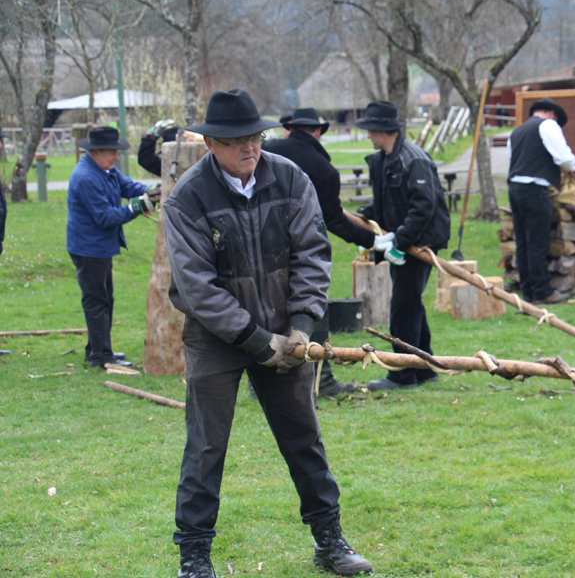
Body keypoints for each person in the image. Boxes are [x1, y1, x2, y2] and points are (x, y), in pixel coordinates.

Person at [163, 87, 372, 578]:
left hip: (285, 329)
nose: (249, 148)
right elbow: (197, 289)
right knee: (206, 447)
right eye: (236, 140)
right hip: (215, 339)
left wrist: (301, 326)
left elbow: (312, 256)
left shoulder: (291, 178)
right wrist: (257, 341)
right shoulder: (187, 198)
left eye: (255, 137)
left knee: (304, 438)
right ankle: (194, 558)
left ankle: (329, 541)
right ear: (211, 143)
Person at [263, 107, 377, 396]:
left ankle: (260, 381)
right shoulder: (324, 170)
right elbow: (333, 219)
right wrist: (371, 240)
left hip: (260, 249)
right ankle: (322, 381)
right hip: (301, 251)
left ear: (290, 128)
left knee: (266, 311)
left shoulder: (266, 150)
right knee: (312, 307)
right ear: (316, 131)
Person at [354, 100, 450, 391]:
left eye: (370, 130)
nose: (367, 135)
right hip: (403, 241)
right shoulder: (384, 160)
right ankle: (425, 368)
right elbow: (388, 202)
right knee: (410, 302)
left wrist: (401, 241)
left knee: (403, 307)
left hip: (419, 244)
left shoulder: (413, 159)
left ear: (383, 131)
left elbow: (424, 207)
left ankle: (402, 374)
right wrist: (367, 215)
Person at [66, 126, 159, 369]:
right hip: (88, 249)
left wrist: (150, 191)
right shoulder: (86, 177)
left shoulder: (104, 169)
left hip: (100, 247)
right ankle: (101, 357)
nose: (117, 157)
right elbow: (105, 217)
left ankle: (97, 349)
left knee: (105, 299)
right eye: (112, 153)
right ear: (96, 152)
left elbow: (126, 186)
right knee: (97, 301)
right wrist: (138, 206)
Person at [507, 97, 575, 305]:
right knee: (538, 243)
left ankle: (528, 291)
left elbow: (514, 160)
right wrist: (572, 166)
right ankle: (542, 292)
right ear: (552, 113)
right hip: (534, 190)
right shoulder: (547, 125)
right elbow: (562, 156)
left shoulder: (517, 132)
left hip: (515, 188)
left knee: (523, 243)